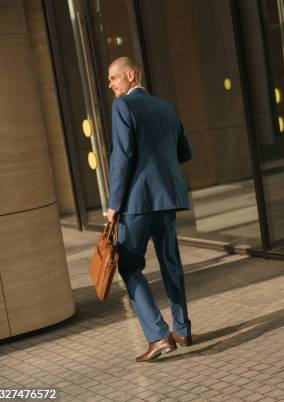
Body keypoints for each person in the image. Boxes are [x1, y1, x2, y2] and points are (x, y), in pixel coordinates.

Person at [106, 56, 193, 362]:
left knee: (129, 266)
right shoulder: (166, 107)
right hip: (168, 197)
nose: (110, 85)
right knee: (171, 262)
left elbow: (122, 157)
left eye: (114, 79)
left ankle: (158, 336)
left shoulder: (123, 107)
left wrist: (113, 204)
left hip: (138, 202)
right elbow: (185, 151)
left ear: (130, 76)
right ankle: (182, 329)